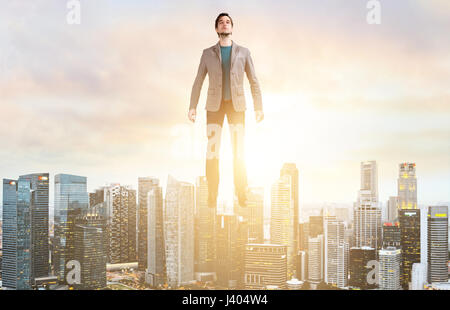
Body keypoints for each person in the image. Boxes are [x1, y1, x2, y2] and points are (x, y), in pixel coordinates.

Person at [188, 12, 264, 208]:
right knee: (213, 150)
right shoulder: (207, 53)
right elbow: (198, 81)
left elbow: (253, 80)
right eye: (221, 22)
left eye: (227, 22)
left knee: (239, 150)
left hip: (237, 107)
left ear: (232, 27)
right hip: (214, 107)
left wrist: (258, 107)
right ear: (216, 29)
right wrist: (192, 106)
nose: (224, 25)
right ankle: (212, 192)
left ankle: (241, 192)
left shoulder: (244, 53)